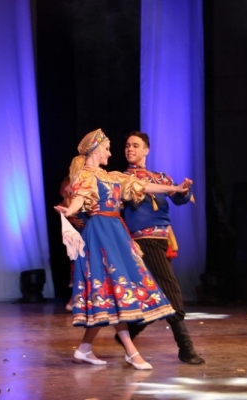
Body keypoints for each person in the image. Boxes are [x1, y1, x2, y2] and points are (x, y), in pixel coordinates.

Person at [54, 128, 190, 370]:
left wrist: (177, 189)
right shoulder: (86, 175)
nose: (110, 153)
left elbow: (144, 186)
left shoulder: (113, 176)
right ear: (96, 150)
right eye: (107, 149)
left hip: (116, 232)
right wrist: (70, 210)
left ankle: (85, 349)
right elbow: (80, 198)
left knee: (113, 290)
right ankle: (131, 352)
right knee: (117, 286)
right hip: (100, 233)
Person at [119, 131, 205, 365]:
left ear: (146, 150)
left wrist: (184, 189)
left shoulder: (160, 177)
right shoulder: (123, 178)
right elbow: (141, 188)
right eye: (127, 146)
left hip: (162, 239)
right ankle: (185, 348)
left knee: (155, 292)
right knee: (169, 288)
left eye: (135, 145)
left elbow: (179, 199)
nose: (130, 149)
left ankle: (130, 332)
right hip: (143, 242)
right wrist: (173, 189)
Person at [59, 176, 88, 311]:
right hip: (79, 236)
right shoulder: (68, 199)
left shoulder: (86, 192)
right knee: (80, 265)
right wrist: (71, 219)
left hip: (88, 231)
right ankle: (74, 301)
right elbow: (63, 211)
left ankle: (77, 301)